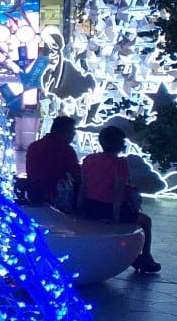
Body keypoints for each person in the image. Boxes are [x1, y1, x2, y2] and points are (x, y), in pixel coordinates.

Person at [79, 125, 159, 274]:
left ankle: (137, 258)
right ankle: (146, 256)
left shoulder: (89, 159)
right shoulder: (119, 163)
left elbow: (83, 186)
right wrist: (115, 217)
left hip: (91, 206)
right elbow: (118, 191)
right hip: (108, 208)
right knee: (145, 221)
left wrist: (80, 208)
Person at [23, 115, 80, 206]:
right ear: (65, 132)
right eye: (72, 131)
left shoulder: (34, 146)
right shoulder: (65, 150)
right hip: (55, 196)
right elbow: (76, 173)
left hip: (33, 193)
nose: (74, 134)